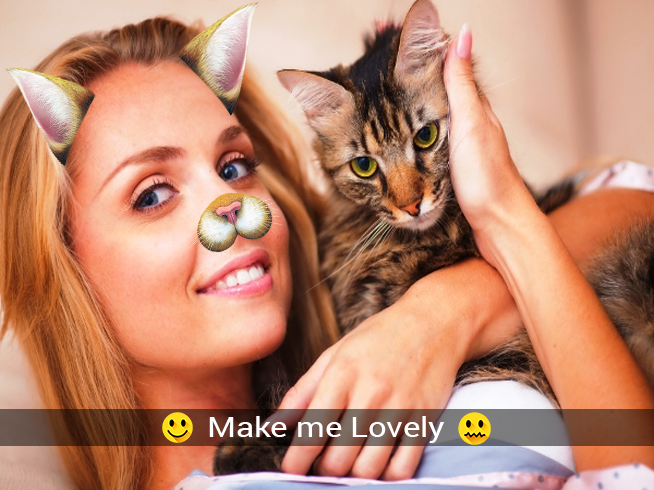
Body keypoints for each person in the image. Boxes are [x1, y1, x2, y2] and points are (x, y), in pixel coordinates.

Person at [0, 16, 652, 490]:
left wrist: (442, 311)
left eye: (234, 166)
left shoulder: (357, 317)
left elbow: (628, 199)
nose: (231, 209)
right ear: (61, 268)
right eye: (151, 194)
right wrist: (496, 250)